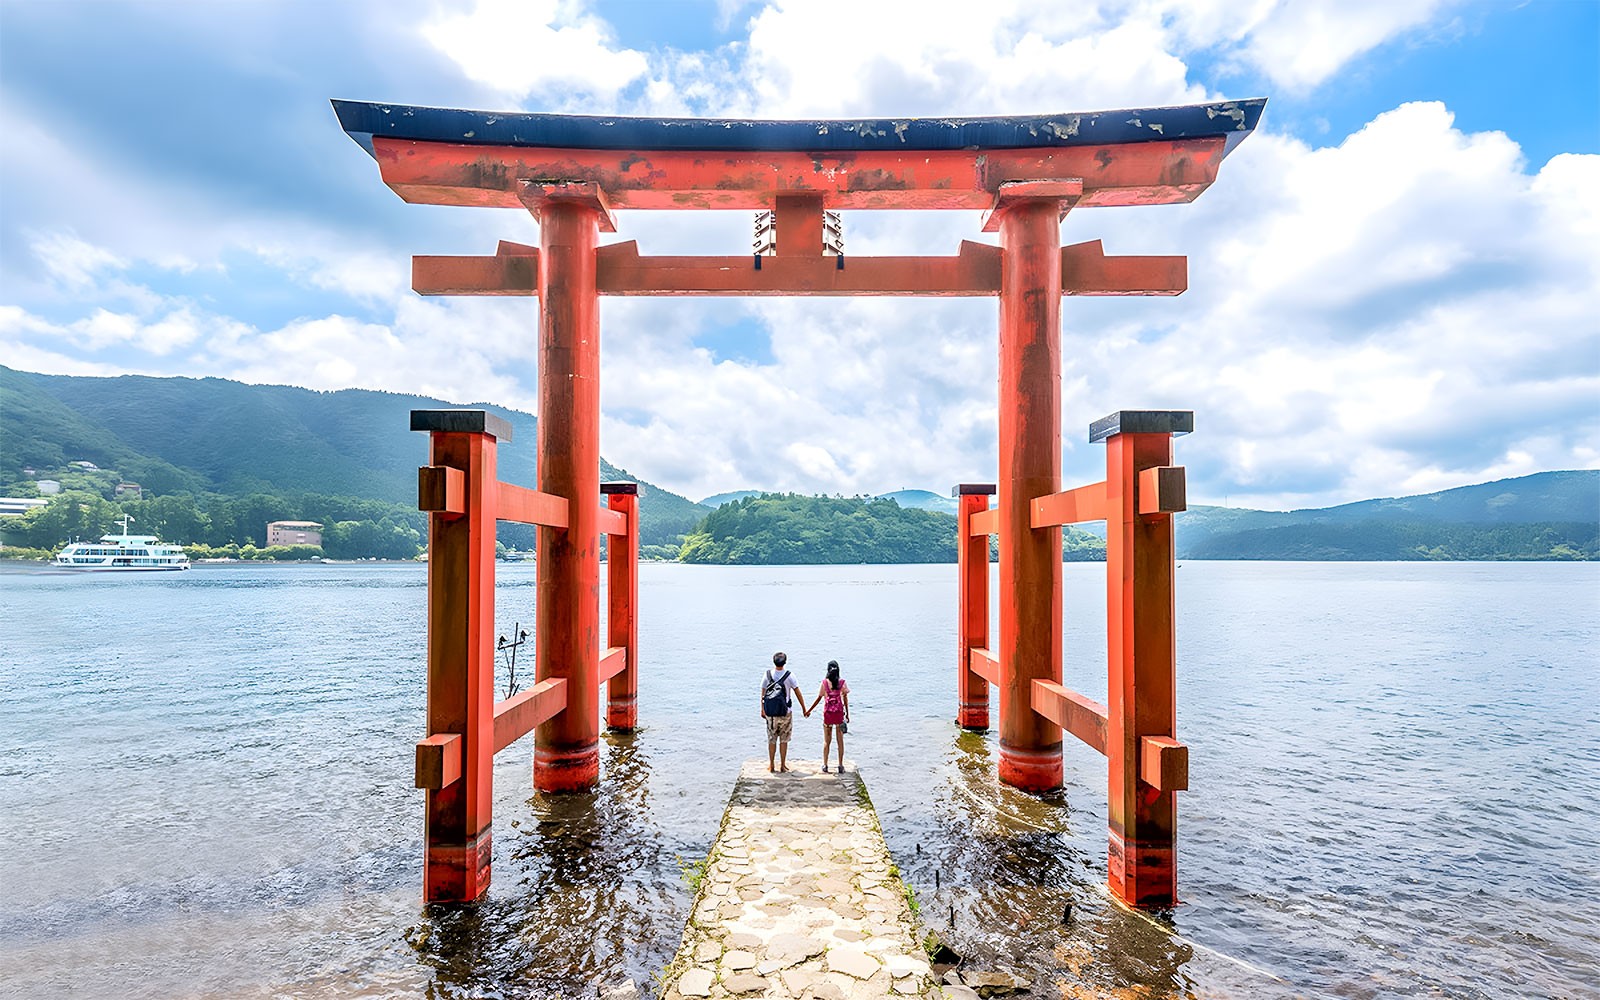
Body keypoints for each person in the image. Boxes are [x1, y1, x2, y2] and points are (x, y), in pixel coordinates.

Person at [759, 651, 803, 773]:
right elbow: (798, 693)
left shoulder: (767, 675)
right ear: (785, 662)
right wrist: (804, 709)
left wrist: (762, 709)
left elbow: (763, 693)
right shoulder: (789, 676)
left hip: (770, 713)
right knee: (784, 740)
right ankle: (783, 765)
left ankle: (771, 765)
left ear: (774, 662)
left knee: (771, 739)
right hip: (785, 713)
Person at [805, 659, 850, 773]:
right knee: (840, 741)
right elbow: (845, 700)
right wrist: (847, 715)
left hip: (828, 715)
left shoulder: (824, 683)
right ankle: (840, 765)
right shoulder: (842, 683)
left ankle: (825, 765)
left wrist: (808, 711)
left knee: (827, 741)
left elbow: (818, 699)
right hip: (839, 714)